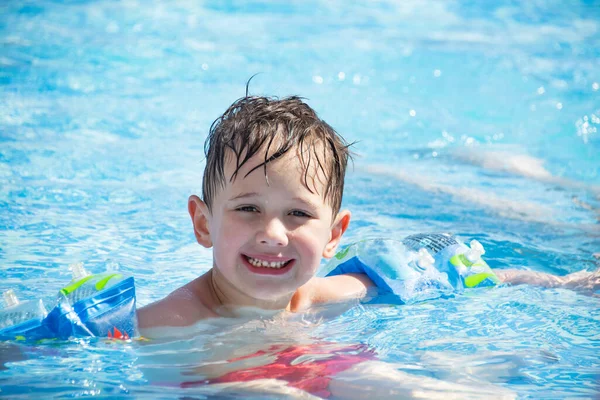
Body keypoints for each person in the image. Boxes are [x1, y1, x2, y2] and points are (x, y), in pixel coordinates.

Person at [136, 95, 599, 332]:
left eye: (298, 214)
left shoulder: (317, 296)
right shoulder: (174, 319)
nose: (273, 233)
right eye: (248, 209)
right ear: (203, 224)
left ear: (335, 235)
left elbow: (443, 277)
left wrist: (559, 285)